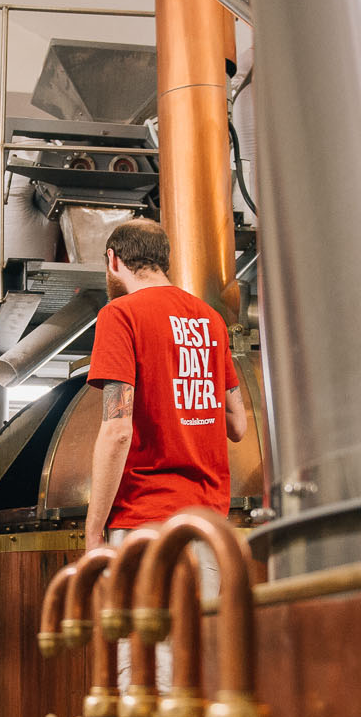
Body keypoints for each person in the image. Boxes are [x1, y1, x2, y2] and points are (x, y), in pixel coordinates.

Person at [84, 219, 248, 551]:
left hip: (145, 522)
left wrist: (93, 530)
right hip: (208, 524)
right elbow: (238, 425)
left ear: (113, 260)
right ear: (164, 261)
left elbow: (118, 431)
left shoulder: (120, 315)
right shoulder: (211, 319)